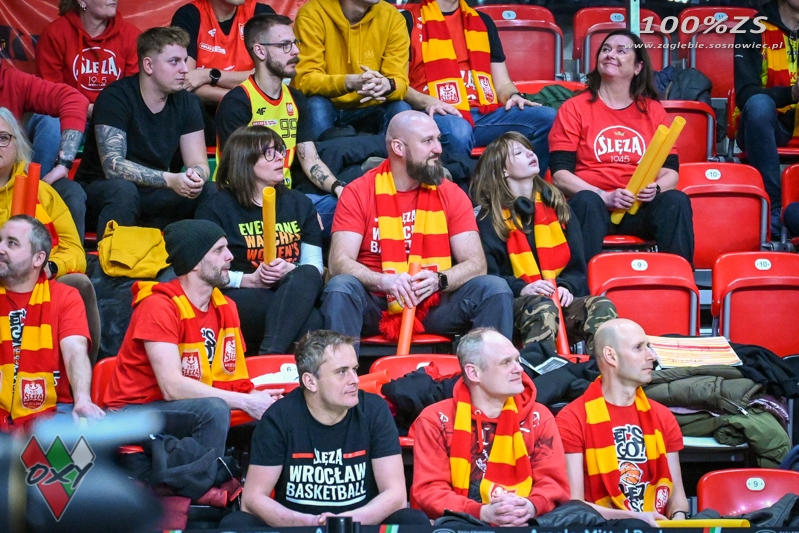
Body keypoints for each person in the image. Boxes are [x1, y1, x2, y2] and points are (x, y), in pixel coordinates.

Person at [322, 111, 513, 354]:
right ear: (398, 148)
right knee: (341, 287)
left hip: (433, 302)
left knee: (494, 288)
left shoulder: (451, 193)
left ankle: (492, 373)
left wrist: (439, 280)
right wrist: (384, 281)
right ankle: (341, 374)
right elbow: (339, 262)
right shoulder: (358, 192)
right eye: (427, 141)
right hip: (376, 301)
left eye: (438, 139)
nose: (438, 149)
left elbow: (476, 264)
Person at [105, 220, 283, 465]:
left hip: (186, 408)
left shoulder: (226, 307)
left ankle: (235, 480)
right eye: (219, 250)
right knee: (214, 410)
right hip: (133, 412)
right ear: (195, 262)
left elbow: (229, 379)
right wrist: (245, 402)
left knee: (278, 411)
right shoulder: (158, 306)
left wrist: (259, 398)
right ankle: (203, 483)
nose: (230, 256)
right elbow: (172, 387)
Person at [225, 330, 430, 528]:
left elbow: (396, 495)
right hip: (296, 528)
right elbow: (253, 499)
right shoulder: (279, 417)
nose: (355, 380)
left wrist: (344, 523)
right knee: (236, 523)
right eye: (342, 372)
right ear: (310, 381)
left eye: (354, 369)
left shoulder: (374, 410)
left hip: (359, 526)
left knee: (412, 521)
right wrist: (307, 523)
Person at [549, 30, 694, 264]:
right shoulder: (574, 108)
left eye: (621, 50)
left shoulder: (653, 110)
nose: (610, 54)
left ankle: (679, 279)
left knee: (676, 201)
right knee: (586, 201)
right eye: (605, 49)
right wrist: (604, 196)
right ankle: (579, 284)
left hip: (639, 208)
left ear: (638, 67)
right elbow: (560, 175)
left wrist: (656, 189)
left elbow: (671, 172)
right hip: (593, 206)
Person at [471, 132, 617, 360]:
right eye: (519, 153)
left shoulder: (559, 209)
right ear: (503, 170)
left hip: (558, 300)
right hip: (514, 305)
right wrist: (523, 288)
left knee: (601, 305)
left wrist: (565, 286)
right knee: (543, 307)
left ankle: (600, 373)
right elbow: (488, 277)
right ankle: (540, 375)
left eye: (529, 149)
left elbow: (577, 269)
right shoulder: (488, 219)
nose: (530, 154)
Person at [410, 327, 570, 525]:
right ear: (473, 373)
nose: (519, 369)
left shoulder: (539, 416)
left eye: (517, 360)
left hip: (526, 523)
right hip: (462, 525)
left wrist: (529, 507)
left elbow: (553, 483)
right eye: (506, 362)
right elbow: (430, 490)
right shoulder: (435, 419)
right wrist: (482, 512)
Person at [74, 26, 212, 238]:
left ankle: (204, 256)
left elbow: (199, 162)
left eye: (185, 60)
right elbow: (113, 167)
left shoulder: (188, 102)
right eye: (174, 61)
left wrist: (195, 177)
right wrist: (170, 179)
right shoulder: (115, 97)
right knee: (123, 190)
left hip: (155, 192)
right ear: (148, 65)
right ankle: (113, 257)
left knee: (211, 192)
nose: (185, 69)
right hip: (103, 193)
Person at [196, 126, 323, 355]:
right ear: (244, 160)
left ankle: (269, 356)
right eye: (269, 153)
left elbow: (314, 267)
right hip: (240, 292)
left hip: (291, 290)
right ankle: (274, 360)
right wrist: (250, 280)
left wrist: (289, 269)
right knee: (309, 318)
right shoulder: (216, 208)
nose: (281, 157)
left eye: (280, 150)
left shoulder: (299, 203)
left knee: (307, 276)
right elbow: (203, 270)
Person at [555, 318, 690, 527]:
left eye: (648, 347)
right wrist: (636, 520)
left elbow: (677, 498)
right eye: (638, 348)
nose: (652, 356)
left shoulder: (663, 416)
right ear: (611, 356)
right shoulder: (571, 419)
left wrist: (678, 520)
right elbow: (574, 505)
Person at [216, 14, 344, 233]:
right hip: (245, 202)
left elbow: (310, 160)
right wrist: (297, 207)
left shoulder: (296, 99)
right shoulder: (237, 102)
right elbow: (239, 172)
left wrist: (338, 188)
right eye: (285, 45)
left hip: (285, 196)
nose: (295, 51)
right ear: (260, 51)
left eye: (295, 43)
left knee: (350, 207)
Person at [401, 0, 556, 172]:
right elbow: (399, 84)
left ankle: (524, 186)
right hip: (437, 114)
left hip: (484, 114)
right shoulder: (407, 20)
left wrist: (513, 96)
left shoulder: (482, 21)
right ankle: (459, 187)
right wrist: (427, 102)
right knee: (459, 130)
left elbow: (503, 84)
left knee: (547, 117)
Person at [0, 215, 103, 431]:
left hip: (52, 412)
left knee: (68, 450)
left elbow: (75, 350)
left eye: (12, 243)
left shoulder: (65, 297)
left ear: (38, 259)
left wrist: (82, 399)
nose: (1, 248)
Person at [293, 0, 411, 140]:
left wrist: (387, 85)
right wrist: (348, 82)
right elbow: (304, 80)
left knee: (401, 109)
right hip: (327, 103)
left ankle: (388, 155)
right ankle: (322, 154)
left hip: (371, 105)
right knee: (316, 105)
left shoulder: (393, 18)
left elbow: (400, 82)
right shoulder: (312, 13)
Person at [0, 54, 88, 240]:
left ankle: (37, 185)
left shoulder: (11, 80)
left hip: (18, 179)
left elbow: (73, 99)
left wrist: (64, 164)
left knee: (71, 192)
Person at [734, 0, 799, 235]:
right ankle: (773, 206)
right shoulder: (753, 28)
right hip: (766, 125)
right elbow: (745, 94)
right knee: (759, 105)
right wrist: (792, 94)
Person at [171, 0, 276, 145]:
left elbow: (268, 77)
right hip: (205, 114)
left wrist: (207, 75)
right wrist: (238, 97)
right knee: (187, 101)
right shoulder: (189, 15)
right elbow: (185, 82)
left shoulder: (261, 13)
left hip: (254, 111)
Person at [36, 0, 141, 119]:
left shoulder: (131, 36)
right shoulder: (55, 33)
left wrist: (107, 112)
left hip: (114, 115)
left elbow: (133, 92)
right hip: (66, 112)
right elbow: (51, 92)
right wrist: (82, 108)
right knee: (49, 121)